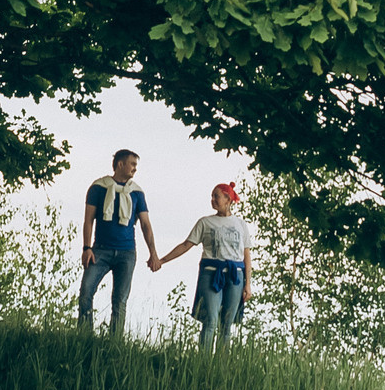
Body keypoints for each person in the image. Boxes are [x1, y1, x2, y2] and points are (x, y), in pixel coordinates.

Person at [153, 180, 253, 351]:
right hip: (211, 273)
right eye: (212, 197)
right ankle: (204, 360)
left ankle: (221, 362)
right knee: (211, 320)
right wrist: (162, 260)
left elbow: (247, 256)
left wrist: (248, 284)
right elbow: (186, 245)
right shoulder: (205, 223)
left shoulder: (240, 224)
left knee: (227, 324)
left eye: (216, 196)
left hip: (235, 275)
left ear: (228, 199)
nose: (212, 200)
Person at [78, 149, 158, 336]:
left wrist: (153, 253)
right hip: (100, 250)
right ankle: (84, 336)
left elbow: (145, 224)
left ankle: (114, 341)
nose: (135, 169)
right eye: (132, 164)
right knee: (86, 292)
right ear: (120, 164)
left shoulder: (136, 192)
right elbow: (88, 220)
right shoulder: (98, 188)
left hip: (126, 253)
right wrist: (87, 248)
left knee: (120, 301)